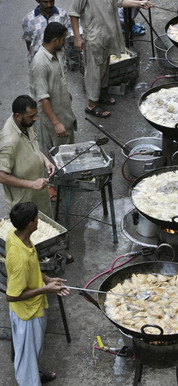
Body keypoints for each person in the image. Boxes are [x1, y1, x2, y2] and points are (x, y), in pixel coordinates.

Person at [69, 0, 153, 118]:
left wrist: (140, 3)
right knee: (94, 71)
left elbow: (119, 0)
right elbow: (74, 12)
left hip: (109, 33)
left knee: (105, 67)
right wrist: (78, 37)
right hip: (94, 37)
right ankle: (91, 105)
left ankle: (102, 94)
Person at [5, 202, 69, 385]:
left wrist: (47, 278)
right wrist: (46, 289)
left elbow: (33, 265)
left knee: (34, 350)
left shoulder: (16, 236)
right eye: (35, 219)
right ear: (29, 224)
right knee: (27, 356)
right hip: (26, 313)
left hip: (34, 306)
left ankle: (35, 374)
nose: (38, 220)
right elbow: (12, 295)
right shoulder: (19, 258)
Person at [0, 95, 55, 217]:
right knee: (29, 232)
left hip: (39, 192)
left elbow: (31, 146)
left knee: (45, 226)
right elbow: (1, 176)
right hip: (23, 200)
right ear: (18, 116)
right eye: (31, 116)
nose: (35, 119)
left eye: (36, 115)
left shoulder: (25, 123)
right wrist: (32, 184)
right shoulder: (9, 141)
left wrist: (45, 160)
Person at [29, 22, 77, 154]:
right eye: (63, 39)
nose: (65, 42)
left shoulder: (58, 52)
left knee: (69, 150)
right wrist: (56, 123)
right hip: (53, 118)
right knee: (59, 154)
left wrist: (65, 93)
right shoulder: (40, 63)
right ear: (55, 40)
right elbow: (42, 98)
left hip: (64, 112)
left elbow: (59, 77)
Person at [22, 0, 69, 64]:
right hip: (38, 64)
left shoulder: (62, 15)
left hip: (58, 62)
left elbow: (66, 38)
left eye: (52, 1)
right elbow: (29, 41)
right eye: (45, 2)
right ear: (37, 0)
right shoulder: (28, 19)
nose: (49, 5)